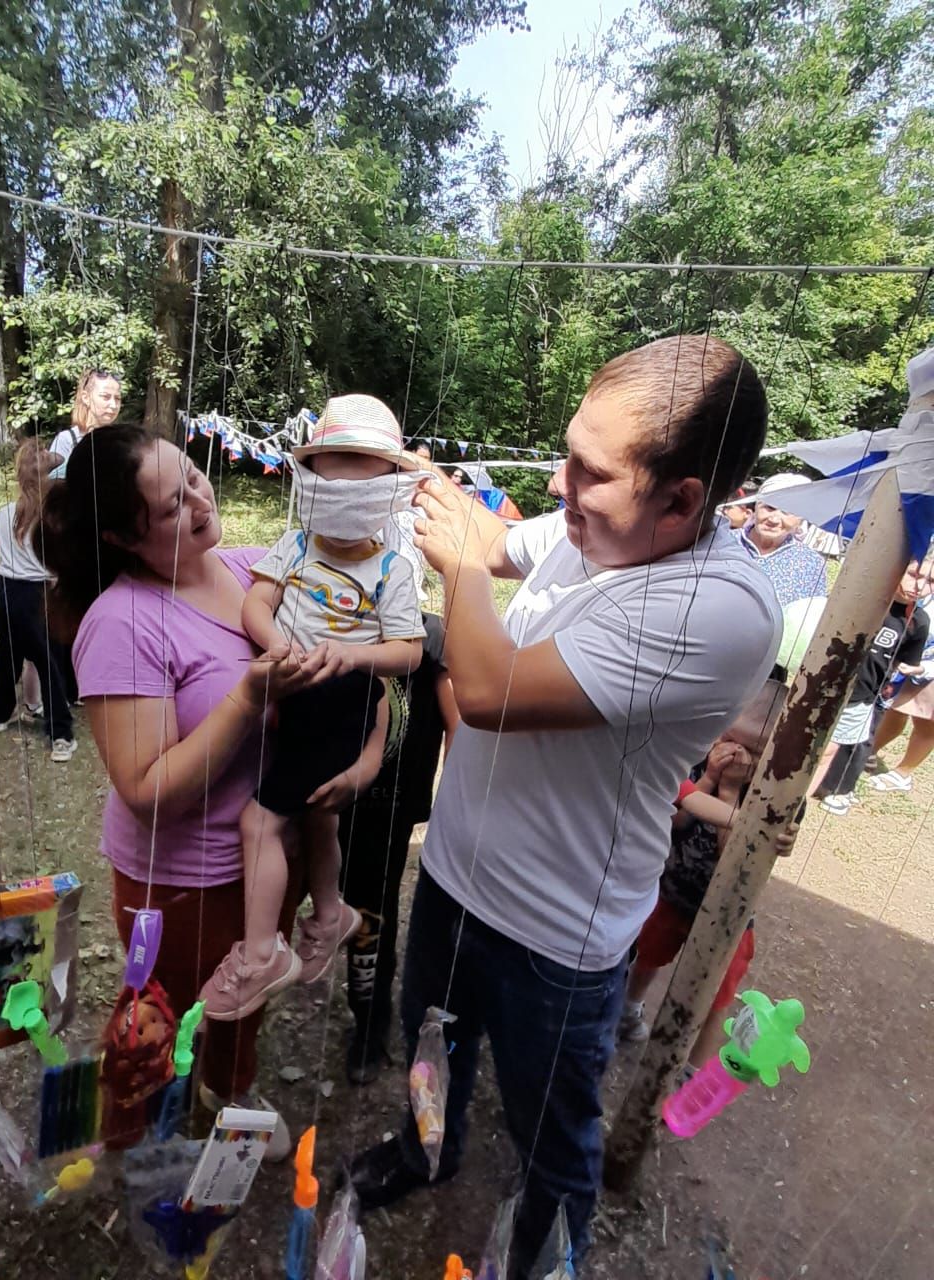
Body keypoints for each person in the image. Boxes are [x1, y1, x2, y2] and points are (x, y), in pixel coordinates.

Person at [348, 335, 782, 1273]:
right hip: (459, 875)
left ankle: (544, 1252)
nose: (557, 483)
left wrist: (460, 572)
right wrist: (420, 483)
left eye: (589, 471)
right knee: (434, 1054)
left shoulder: (723, 606)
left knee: (556, 1129)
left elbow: (494, 691)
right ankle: (429, 1150)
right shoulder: (603, 527)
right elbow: (502, 540)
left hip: (559, 937)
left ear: (683, 501)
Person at [38, 424, 376, 1156]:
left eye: (192, 474)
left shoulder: (254, 570)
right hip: (179, 884)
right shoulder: (122, 622)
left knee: (242, 1001)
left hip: (265, 858)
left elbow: (374, 665)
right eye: (170, 505)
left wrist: (368, 761)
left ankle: (229, 1099)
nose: (199, 496)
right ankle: (130, 1128)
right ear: (125, 537)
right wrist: (249, 697)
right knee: (160, 1015)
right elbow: (146, 790)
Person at [199, 395, 425, 1022]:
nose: (342, 478)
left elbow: (409, 652)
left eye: (359, 462)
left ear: (390, 483)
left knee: (261, 823)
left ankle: (262, 950)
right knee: (319, 818)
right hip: (294, 691)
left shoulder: (394, 567)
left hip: (343, 702)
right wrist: (280, 648)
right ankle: (330, 913)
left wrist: (351, 659)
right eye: (329, 463)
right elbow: (256, 605)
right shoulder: (295, 544)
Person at [619, 679, 796, 1068]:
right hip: (673, 891)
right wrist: (711, 781)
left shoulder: (776, 793)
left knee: (717, 994)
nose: (736, 754)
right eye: (730, 739)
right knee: (647, 956)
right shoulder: (696, 761)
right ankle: (628, 1011)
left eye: (753, 750)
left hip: (730, 913)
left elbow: (735, 855)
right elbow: (675, 820)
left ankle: (693, 1068)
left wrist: (731, 793)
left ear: (773, 753)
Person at [339, 613, 447, 1084]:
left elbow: (464, 714)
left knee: (369, 915)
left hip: (384, 809)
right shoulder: (311, 610)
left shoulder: (433, 639)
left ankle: (370, 1022)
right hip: (308, 799)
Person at [811, 560, 929, 814]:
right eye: (913, 574)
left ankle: (832, 791)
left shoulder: (918, 621)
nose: (918, 586)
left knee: (843, 745)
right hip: (825, 684)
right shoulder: (865, 599)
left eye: (931, 582)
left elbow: (908, 661)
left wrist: (912, 670)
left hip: (864, 696)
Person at [0, 442, 76, 762]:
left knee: (7, 653)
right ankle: (61, 734)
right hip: (37, 595)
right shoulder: (50, 517)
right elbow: (59, 559)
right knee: (49, 662)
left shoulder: (4, 513)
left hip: (4, 592)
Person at [733, 473, 828, 606]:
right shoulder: (722, 542)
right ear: (756, 506)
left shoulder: (810, 563)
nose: (774, 519)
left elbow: (806, 616)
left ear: (801, 518)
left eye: (787, 511)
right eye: (769, 508)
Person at [869, 626, 934, 792]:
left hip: (928, 666)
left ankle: (902, 774)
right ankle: (868, 751)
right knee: (897, 709)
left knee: (926, 723)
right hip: (915, 654)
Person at [49, 368, 123, 463]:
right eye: (105, 397)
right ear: (86, 397)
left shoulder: (124, 441)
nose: (113, 405)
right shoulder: (67, 440)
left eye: (117, 398)